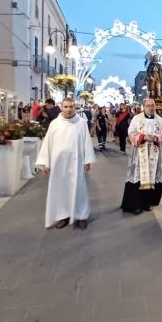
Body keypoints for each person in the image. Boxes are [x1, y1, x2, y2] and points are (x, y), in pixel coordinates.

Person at [35, 98, 96, 229]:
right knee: (61, 189)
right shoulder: (55, 124)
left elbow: (87, 142)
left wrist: (88, 160)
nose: (69, 109)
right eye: (66, 107)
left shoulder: (81, 123)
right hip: (58, 164)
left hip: (76, 162)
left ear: (75, 107)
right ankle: (63, 215)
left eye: (71, 107)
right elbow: (47, 143)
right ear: (61, 107)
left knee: (79, 189)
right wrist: (46, 162)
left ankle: (81, 215)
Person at [120, 98, 162, 215]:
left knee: (151, 176)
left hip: (154, 153)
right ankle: (135, 204)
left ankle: (147, 203)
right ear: (144, 107)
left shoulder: (161, 121)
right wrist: (143, 137)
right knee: (138, 176)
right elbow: (131, 132)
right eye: (148, 106)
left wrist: (156, 138)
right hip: (139, 154)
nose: (151, 108)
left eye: (153, 105)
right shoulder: (137, 119)